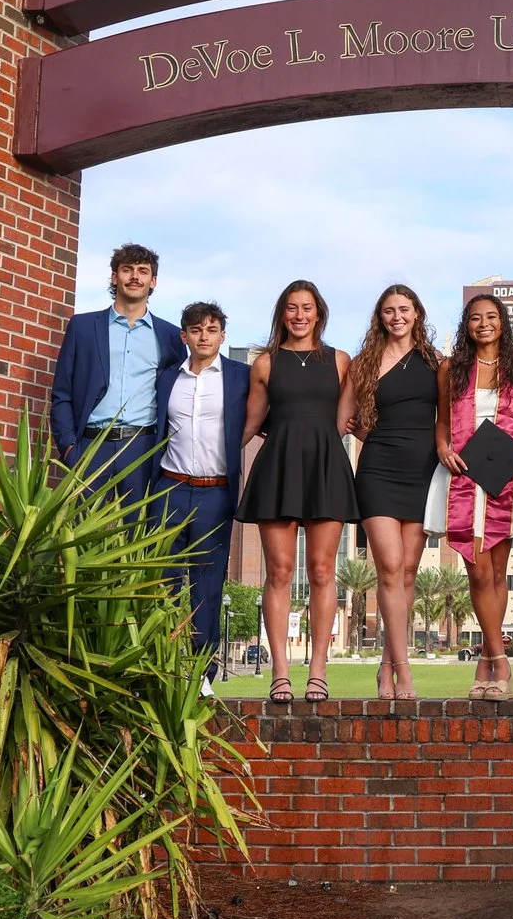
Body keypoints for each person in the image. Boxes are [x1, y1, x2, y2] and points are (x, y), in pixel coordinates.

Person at [237, 281, 358, 701]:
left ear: (318, 313)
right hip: (278, 468)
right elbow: (250, 425)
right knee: (280, 572)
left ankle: (319, 671)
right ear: (282, 314)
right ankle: (280, 673)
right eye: (292, 308)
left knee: (323, 571)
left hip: (325, 467)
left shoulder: (341, 361)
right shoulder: (265, 363)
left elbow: (345, 422)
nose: (300, 315)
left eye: (307, 308)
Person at [428, 292, 513, 702]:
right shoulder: (451, 368)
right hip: (462, 472)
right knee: (478, 571)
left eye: (491, 317)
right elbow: (442, 420)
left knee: (498, 571)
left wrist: (509, 459)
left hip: (504, 473)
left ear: (502, 323)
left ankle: (486, 662)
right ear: (466, 325)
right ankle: (499, 660)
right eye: (475, 317)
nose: (483, 324)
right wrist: (442, 448)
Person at [342, 285, 444, 701]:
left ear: (417, 313)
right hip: (378, 471)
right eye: (389, 310)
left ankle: (387, 665)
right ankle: (404, 670)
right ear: (380, 317)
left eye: (404, 309)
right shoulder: (364, 362)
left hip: (423, 473)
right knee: (390, 566)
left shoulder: (436, 363)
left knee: (407, 574)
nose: (397, 316)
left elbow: (450, 418)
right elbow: (345, 420)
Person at [153, 301, 250, 695]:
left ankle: (202, 676)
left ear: (222, 336)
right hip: (168, 489)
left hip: (216, 492)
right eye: (196, 330)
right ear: (184, 336)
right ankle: (161, 667)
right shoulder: (166, 379)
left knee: (206, 586)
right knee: (163, 581)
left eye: (211, 330)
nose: (204, 337)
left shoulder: (240, 377)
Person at [51, 243, 186, 510]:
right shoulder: (83, 327)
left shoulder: (170, 336)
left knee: (139, 530)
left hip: (143, 448)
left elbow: (178, 395)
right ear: (115, 277)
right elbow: (62, 393)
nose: (135, 276)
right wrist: (69, 448)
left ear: (153, 281)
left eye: (143, 271)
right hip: (90, 447)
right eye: (127, 270)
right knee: (79, 530)